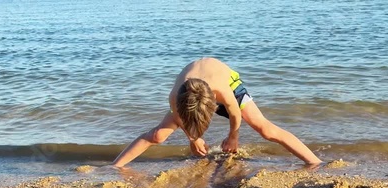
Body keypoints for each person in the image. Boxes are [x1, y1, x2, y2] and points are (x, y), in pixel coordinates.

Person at [112, 57, 322, 167]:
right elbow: (179, 117)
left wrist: (233, 137)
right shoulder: (176, 95)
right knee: (158, 135)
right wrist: (193, 138)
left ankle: (315, 162)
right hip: (191, 92)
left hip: (228, 80)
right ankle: (116, 166)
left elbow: (234, 114)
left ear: (213, 103)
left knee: (265, 129)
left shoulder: (222, 91)